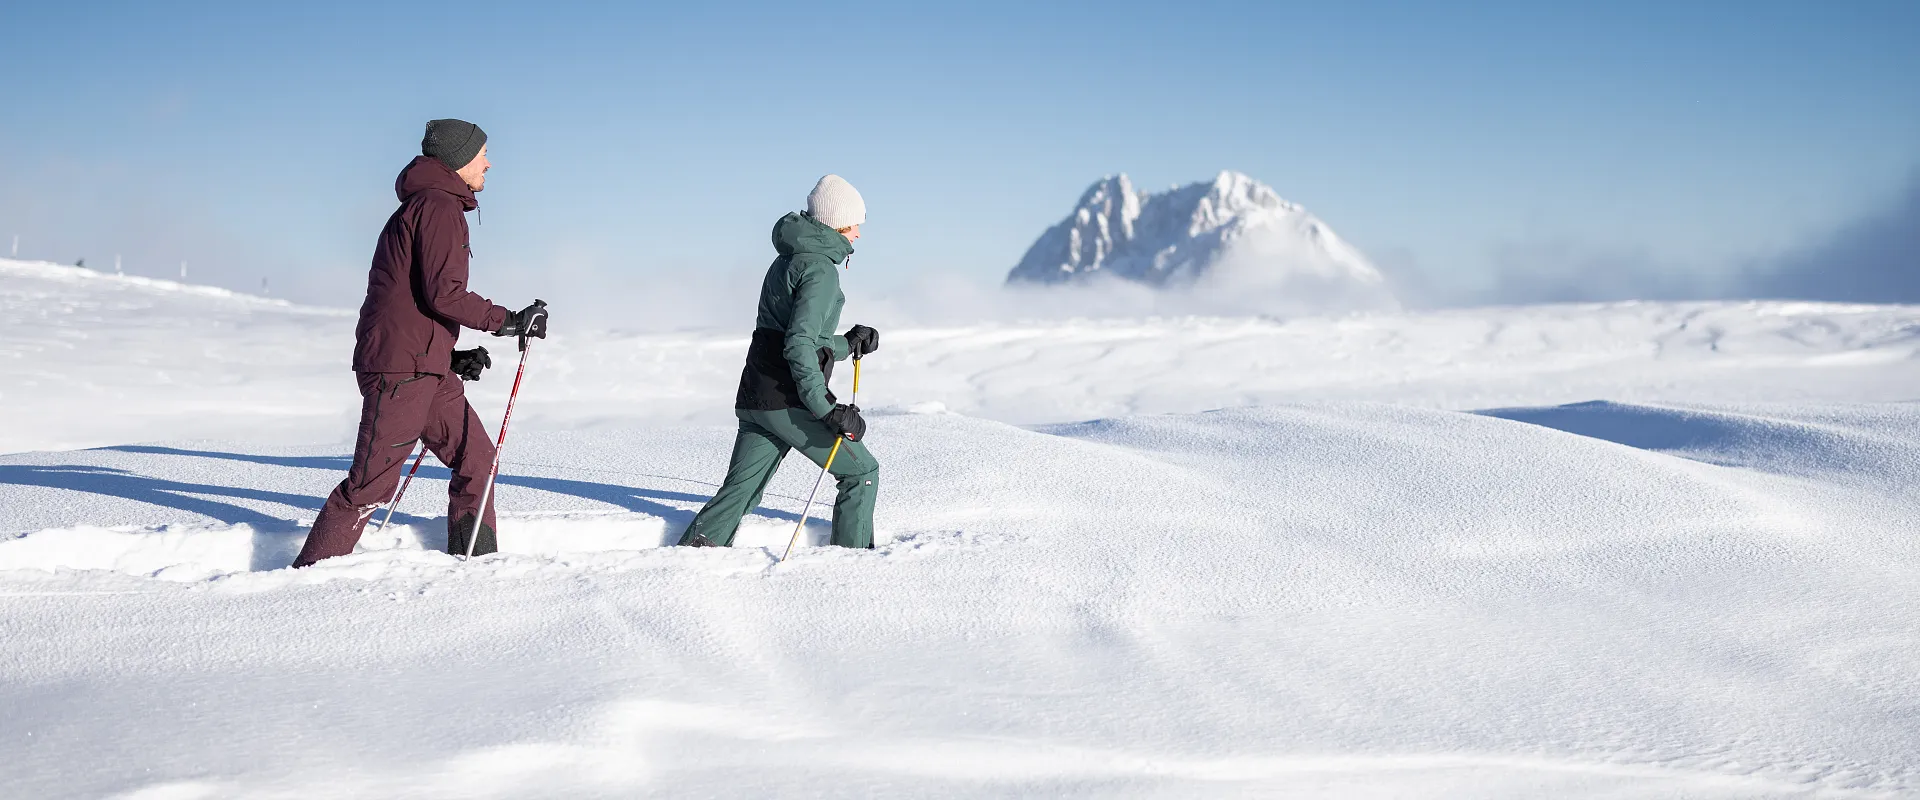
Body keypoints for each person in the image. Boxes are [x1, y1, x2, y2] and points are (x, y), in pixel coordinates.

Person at [292, 119, 549, 567]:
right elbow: (443, 293)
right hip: (401, 370)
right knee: (370, 484)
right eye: (482, 153)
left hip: (422, 364)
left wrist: (449, 356)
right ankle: (307, 578)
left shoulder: (431, 206)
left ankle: (475, 562)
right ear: (458, 159)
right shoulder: (437, 207)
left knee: (477, 459)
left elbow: (411, 301)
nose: (489, 162)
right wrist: (508, 321)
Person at [679, 175, 881, 549]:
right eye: (855, 225)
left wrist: (847, 343)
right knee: (862, 472)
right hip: (789, 401)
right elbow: (800, 345)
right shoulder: (820, 270)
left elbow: (794, 337)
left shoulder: (787, 259)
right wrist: (827, 410)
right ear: (837, 224)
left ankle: (689, 560)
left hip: (758, 397)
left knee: (739, 492)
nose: (858, 234)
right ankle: (854, 570)